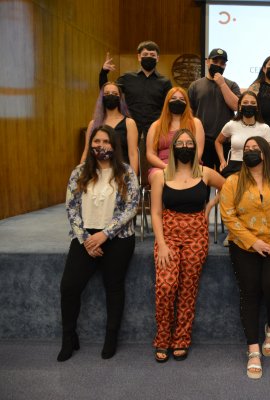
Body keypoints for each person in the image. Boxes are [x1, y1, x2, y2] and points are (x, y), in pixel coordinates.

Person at [219, 136, 270, 379]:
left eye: (256, 148)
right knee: (250, 291)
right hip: (244, 245)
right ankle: (253, 350)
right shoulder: (233, 182)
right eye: (247, 149)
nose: (251, 152)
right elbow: (228, 216)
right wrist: (253, 242)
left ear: (265, 153)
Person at [58, 125, 139, 362]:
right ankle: (68, 337)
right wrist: (85, 239)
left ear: (114, 145)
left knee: (113, 287)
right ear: (90, 144)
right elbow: (71, 208)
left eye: (105, 141)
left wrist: (105, 234)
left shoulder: (126, 172)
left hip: (118, 237)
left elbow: (131, 207)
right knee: (69, 287)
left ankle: (111, 338)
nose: (100, 146)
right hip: (85, 237)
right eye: (96, 141)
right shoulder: (79, 172)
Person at [150, 128, 225, 363]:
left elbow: (230, 186)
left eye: (188, 143)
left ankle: (181, 339)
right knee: (166, 286)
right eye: (180, 144)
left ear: (195, 148)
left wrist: (210, 206)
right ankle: (163, 338)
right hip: (168, 235)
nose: (185, 147)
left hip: (196, 235)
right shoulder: (161, 176)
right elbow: (155, 213)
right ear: (173, 148)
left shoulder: (205, 173)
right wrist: (161, 244)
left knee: (187, 289)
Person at [100, 41, 172, 136]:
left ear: (157, 58)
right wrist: (103, 72)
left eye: (152, 55)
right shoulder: (127, 78)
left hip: (156, 129)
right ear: (139, 57)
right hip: (129, 128)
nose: (148, 57)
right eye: (145, 54)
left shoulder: (165, 82)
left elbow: (169, 108)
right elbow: (107, 92)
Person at [188, 48, 241, 169]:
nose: (218, 65)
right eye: (215, 62)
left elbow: (236, 106)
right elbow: (189, 113)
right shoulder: (195, 85)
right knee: (202, 175)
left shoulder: (232, 85)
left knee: (225, 176)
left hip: (225, 140)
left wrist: (222, 84)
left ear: (225, 66)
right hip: (202, 141)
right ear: (207, 62)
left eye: (222, 63)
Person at [146, 87, 205, 180]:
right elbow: (150, 154)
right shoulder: (156, 125)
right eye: (173, 98)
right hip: (162, 167)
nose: (177, 101)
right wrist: (167, 167)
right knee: (158, 177)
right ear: (167, 102)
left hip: (190, 166)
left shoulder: (195, 123)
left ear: (187, 104)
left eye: (182, 99)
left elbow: (199, 152)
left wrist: (183, 169)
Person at [80, 82, 139, 175]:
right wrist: (81, 173)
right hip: (97, 172)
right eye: (107, 93)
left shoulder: (129, 123)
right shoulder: (93, 124)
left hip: (121, 172)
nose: (110, 96)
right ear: (102, 98)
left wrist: (132, 178)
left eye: (114, 93)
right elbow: (86, 151)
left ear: (120, 98)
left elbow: (133, 154)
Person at [215, 91, 270, 178]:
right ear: (240, 106)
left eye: (253, 103)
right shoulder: (231, 125)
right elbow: (218, 142)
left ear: (257, 107)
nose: (249, 105)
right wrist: (222, 161)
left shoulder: (265, 128)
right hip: (234, 167)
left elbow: (267, 152)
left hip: (257, 167)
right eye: (245, 102)